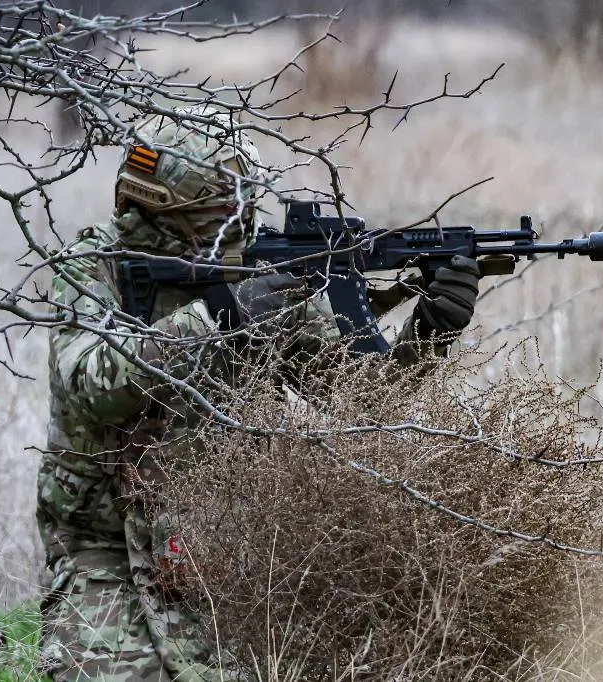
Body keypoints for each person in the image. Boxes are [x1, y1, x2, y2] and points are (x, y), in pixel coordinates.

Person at [35, 104, 482, 681]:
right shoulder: (93, 267)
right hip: (103, 551)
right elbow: (90, 385)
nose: (243, 225)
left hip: (224, 547)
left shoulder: (258, 277)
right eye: (225, 212)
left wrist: (427, 333)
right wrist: (225, 314)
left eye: (246, 208)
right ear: (169, 209)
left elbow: (362, 402)